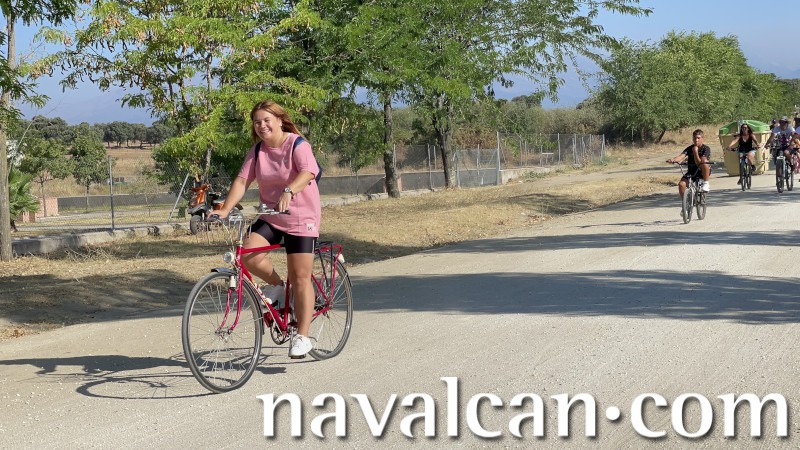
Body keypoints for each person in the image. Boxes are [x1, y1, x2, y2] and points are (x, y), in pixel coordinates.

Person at [215, 100, 322, 359]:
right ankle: (277, 287)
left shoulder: (297, 144)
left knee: (300, 277)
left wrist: (289, 190)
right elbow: (242, 181)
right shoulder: (257, 151)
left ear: (280, 121)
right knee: (247, 255)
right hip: (273, 216)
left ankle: (302, 336)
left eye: (266, 120)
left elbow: (308, 172)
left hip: (301, 217)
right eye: (257, 122)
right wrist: (225, 209)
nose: (262, 125)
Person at [666, 129, 711, 215]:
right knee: (681, 184)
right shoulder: (690, 148)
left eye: (698, 138)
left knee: (704, 161)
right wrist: (673, 160)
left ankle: (706, 183)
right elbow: (681, 156)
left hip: (702, 172)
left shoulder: (706, 149)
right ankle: (686, 204)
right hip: (692, 171)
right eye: (694, 138)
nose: (696, 140)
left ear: (702, 138)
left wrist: (695, 152)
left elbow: (699, 163)